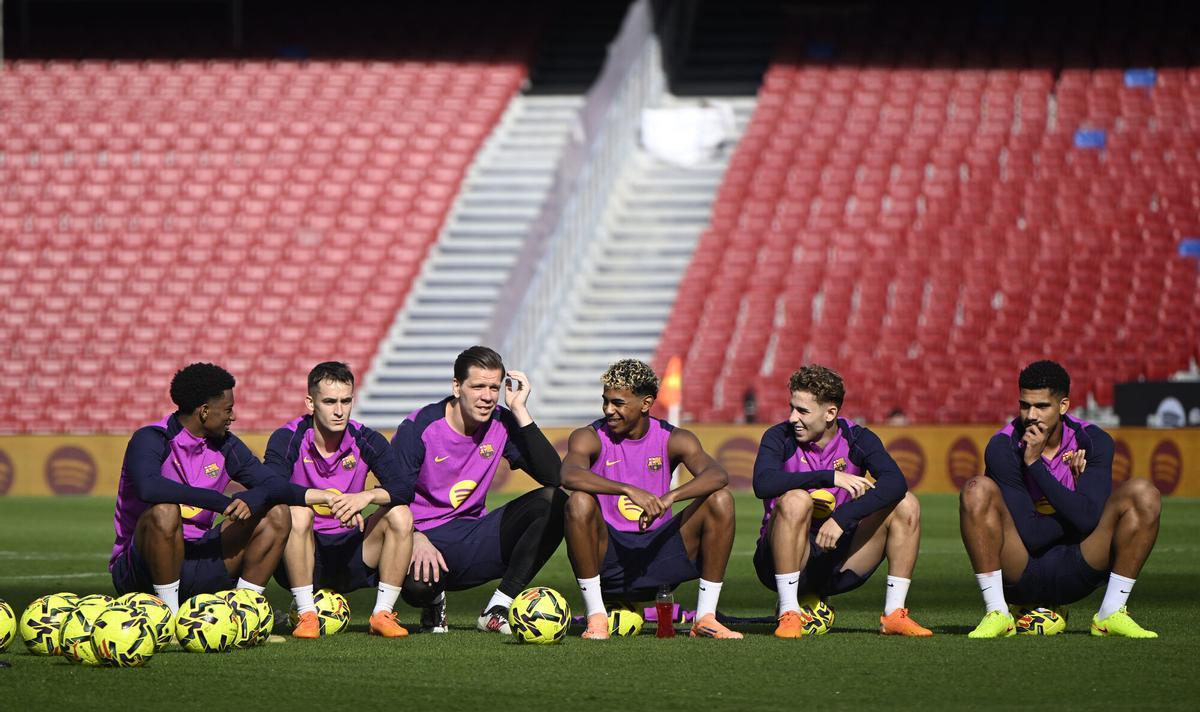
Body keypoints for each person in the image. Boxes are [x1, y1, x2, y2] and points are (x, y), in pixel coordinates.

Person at [961, 360, 1161, 638]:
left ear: (1063, 405)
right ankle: (997, 612)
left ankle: (1111, 612)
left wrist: (1037, 469)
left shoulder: (1094, 441)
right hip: (1022, 569)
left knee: (1143, 493)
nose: (1031, 415)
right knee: (976, 489)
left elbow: (1088, 519)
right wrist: (1077, 503)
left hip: (1078, 564)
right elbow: (1031, 535)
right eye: (1024, 405)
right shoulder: (1002, 447)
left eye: (1041, 406)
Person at [562, 359, 743, 640]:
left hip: (659, 557)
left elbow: (717, 474)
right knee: (578, 502)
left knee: (720, 500)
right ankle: (597, 617)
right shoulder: (589, 436)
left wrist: (670, 497)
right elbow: (569, 475)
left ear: (645, 404)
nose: (608, 410)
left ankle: (705, 617)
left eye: (618, 403)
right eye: (605, 401)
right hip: (610, 558)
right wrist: (627, 489)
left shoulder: (673, 438)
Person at [391, 346, 566, 633]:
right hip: (426, 539)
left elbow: (555, 476)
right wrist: (414, 537)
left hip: (475, 534)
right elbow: (393, 497)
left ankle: (498, 607)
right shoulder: (418, 427)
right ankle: (433, 602)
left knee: (556, 502)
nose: (487, 396)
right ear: (457, 387)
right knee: (416, 587)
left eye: (494, 388)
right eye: (478, 387)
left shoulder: (502, 422)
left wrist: (520, 410)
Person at [752, 365, 932, 638]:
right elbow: (763, 483)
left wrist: (842, 518)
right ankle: (789, 613)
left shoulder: (857, 438)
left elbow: (895, 482)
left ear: (830, 413)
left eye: (802, 411)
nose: (792, 418)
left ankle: (894, 614)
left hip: (835, 554)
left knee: (906, 503)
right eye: (792, 408)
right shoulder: (778, 436)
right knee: (797, 500)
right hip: (777, 561)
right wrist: (829, 477)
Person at [109, 363, 291, 613]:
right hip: (140, 570)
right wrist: (221, 502)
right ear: (205, 411)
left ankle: (243, 611)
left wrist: (253, 497)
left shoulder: (226, 445)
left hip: (198, 559)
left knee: (278, 513)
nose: (233, 417)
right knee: (165, 511)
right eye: (228, 409)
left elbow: (275, 484)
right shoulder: (151, 438)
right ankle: (169, 615)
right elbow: (148, 487)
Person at [266, 362, 415, 638]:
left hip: (352, 551)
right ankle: (307, 615)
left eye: (345, 401)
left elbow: (404, 487)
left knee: (401, 513)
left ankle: (382, 614)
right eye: (329, 402)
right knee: (297, 514)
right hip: (302, 553)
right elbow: (271, 488)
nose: (339, 411)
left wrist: (365, 497)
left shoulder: (365, 438)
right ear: (310, 403)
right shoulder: (287, 437)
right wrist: (326, 497)